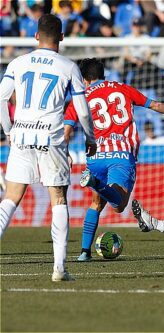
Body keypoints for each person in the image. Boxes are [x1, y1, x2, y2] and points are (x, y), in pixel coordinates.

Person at [64, 58, 164, 262]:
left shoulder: (80, 97)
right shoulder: (123, 88)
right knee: (119, 204)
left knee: (96, 203)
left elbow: (67, 130)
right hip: (121, 152)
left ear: (85, 79)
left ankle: (84, 253)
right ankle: (95, 182)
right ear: (103, 75)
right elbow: (155, 105)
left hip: (95, 155)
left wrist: (66, 152)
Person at [0, 14, 97, 282]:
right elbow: (83, 112)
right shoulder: (68, 67)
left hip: (21, 136)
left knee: (11, 198)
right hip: (51, 138)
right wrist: (90, 138)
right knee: (59, 199)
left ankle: (60, 267)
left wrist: (9, 130)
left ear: (35, 36)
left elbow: (0, 97)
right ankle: (59, 268)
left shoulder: (18, 63)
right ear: (62, 37)